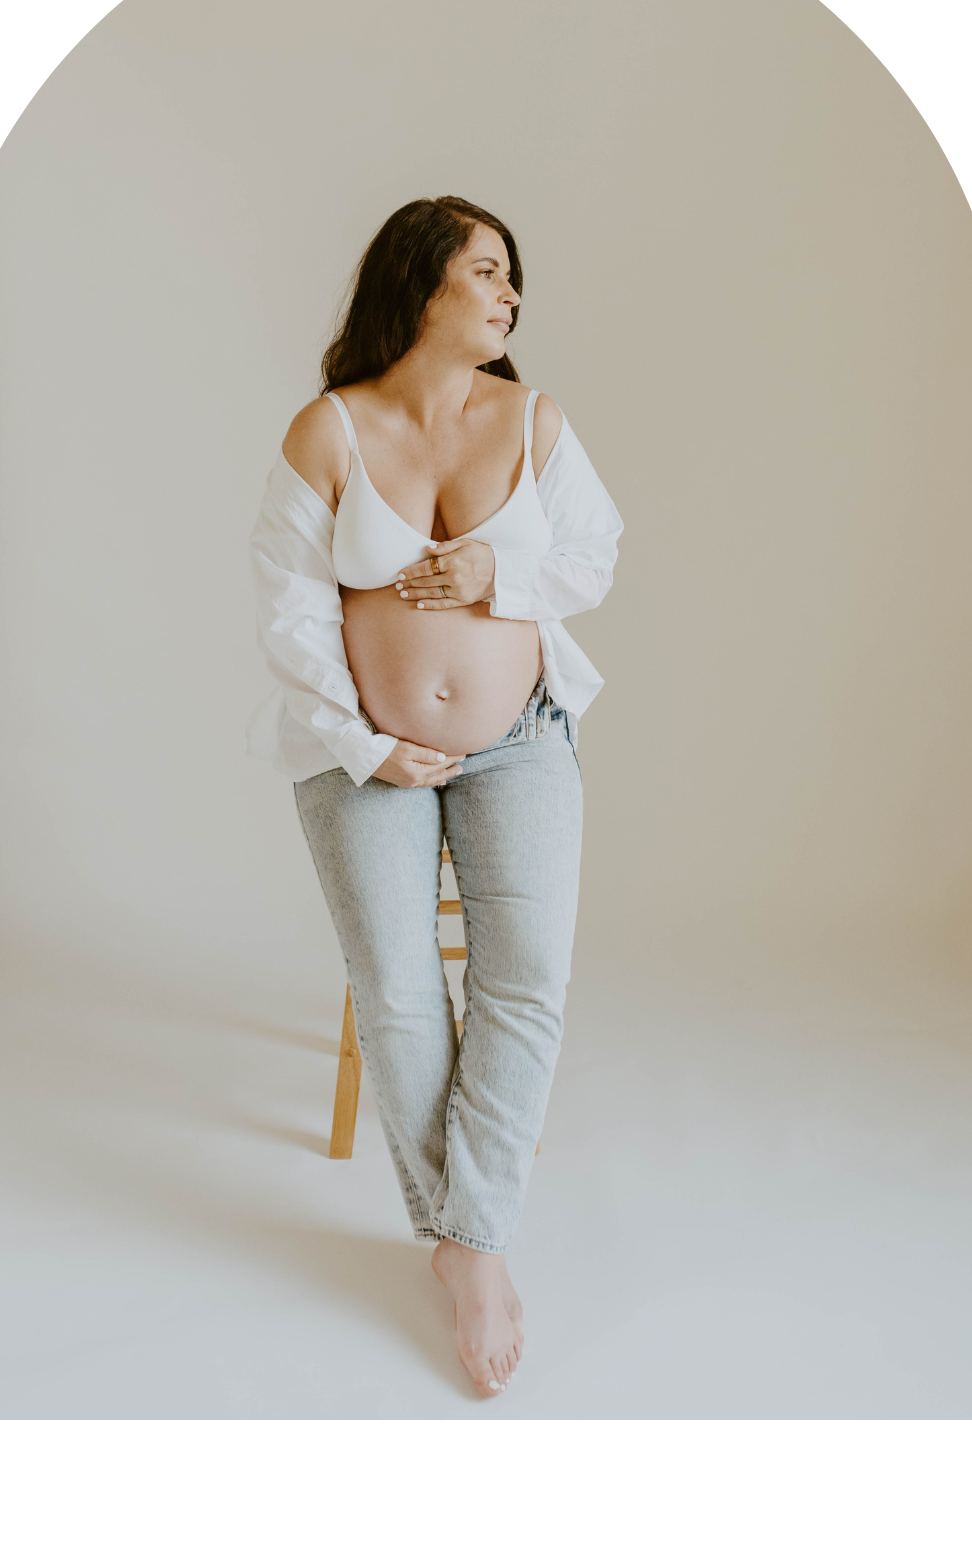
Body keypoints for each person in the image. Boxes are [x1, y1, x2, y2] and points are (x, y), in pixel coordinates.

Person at [247, 196, 623, 1398]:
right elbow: (288, 608)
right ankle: (469, 1241)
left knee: (527, 980)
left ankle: (472, 1240)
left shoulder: (531, 417)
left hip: (522, 740)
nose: (511, 296)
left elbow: (595, 555)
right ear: (419, 282)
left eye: (513, 279)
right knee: (403, 995)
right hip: (359, 751)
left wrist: (495, 570)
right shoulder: (330, 430)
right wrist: (366, 743)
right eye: (488, 271)